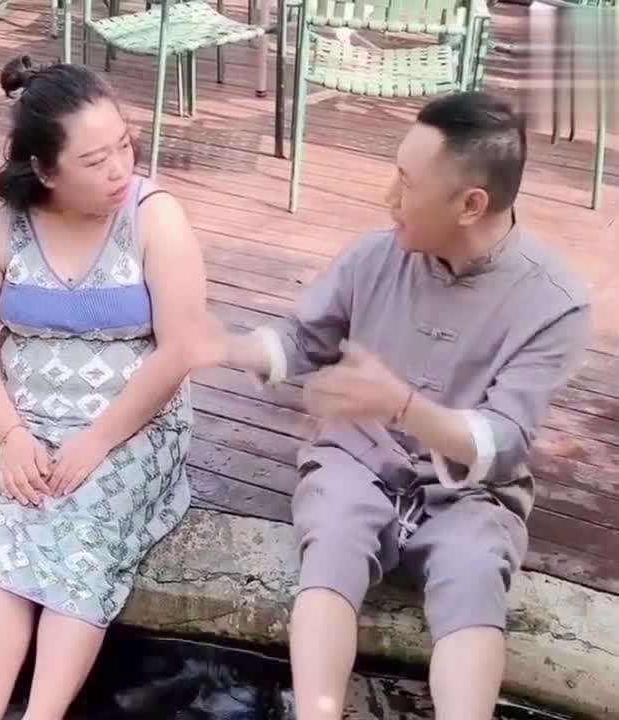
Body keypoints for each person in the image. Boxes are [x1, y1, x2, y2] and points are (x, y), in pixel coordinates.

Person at [194, 92, 590, 720]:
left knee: (474, 570)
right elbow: (305, 339)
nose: (389, 196)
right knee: (333, 534)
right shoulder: (374, 255)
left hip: (471, 491)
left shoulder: (555, 303)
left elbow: (505, 439)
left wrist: (404, 405)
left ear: (470, 205)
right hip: (358, 458)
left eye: (406, 182)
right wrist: (231, 346)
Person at [0, 56, 206, 720]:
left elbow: (179, 350)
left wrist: (96, 441)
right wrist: (10, 437)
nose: (119, 169)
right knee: (17, 519)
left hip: (133, 425)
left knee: (84, 513)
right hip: (23, 419)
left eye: (123, 145)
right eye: (95, 160)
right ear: (45, 170)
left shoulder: (154, 218)